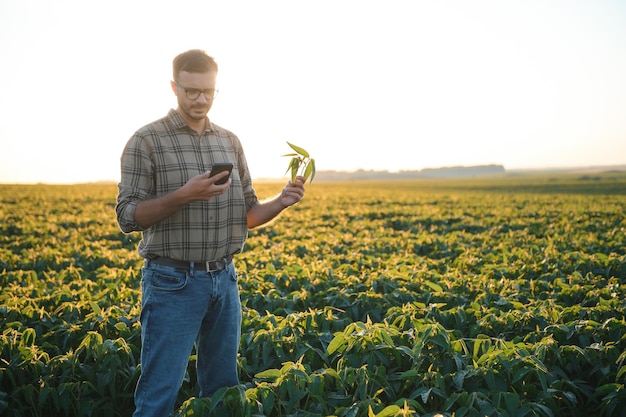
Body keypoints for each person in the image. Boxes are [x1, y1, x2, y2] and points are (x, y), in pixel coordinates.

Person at [115, 49, 306, 417]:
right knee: (159, 395)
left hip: (224, 279)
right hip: (172, 283)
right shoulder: (147, 140)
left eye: (208, 91)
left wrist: (281, 201)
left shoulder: (229, 142)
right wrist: (186, 194)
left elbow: (247, 214)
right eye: (191, 91)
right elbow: (127, 216)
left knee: (223, 391)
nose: (201, 99)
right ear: (174, 87)